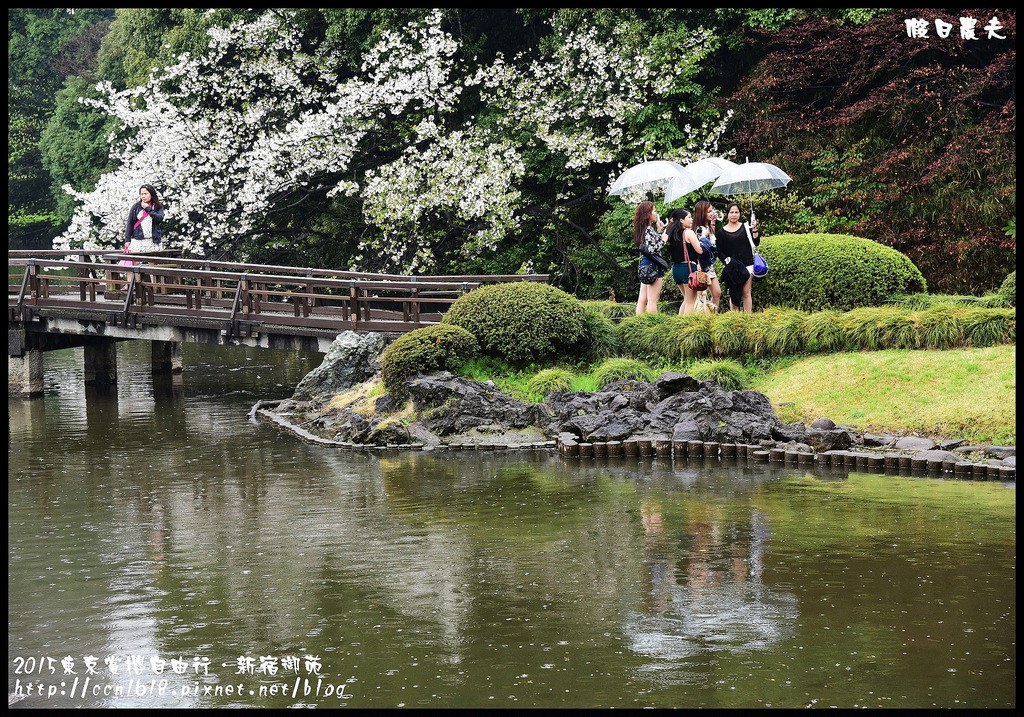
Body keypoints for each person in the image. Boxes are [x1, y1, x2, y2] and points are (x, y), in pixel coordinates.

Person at [715, 202, 761, 313]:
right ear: (727, 214)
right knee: (734, 294)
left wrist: (754, 228)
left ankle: (748, 319)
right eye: (731, 212)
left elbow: (756, 242)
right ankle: (735, 320)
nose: (734, 215)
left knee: (746, 292)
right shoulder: (721, 232)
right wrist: (726, 261)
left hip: (747, 264)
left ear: (740, 214)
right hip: (732, 267)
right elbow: (719, 250)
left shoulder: (746, 227)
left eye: (736, 212)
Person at [666, 207, 705, 315]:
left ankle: (679, 324)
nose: (692, 219)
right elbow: (700, 250)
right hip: (687, 269)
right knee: (691, 302)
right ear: (682, 220)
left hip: (676, 269)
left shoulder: (672, 233)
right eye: (689, 217)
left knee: (686, 300)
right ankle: (686, 326)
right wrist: (702, 239)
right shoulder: (688, 232)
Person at [634, 200, 668, 314]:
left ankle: (639, 324)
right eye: (654, 210)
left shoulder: (644, 229)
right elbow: (652, 249)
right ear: (648, 214)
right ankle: (651, 326)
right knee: (652, 300)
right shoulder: (648, 229)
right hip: (653, 265)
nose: (656, 213)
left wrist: (658, 231)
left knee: (642, 300)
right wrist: (663, 240)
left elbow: (649, 246)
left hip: (645, 264)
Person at [692, 199, 721, 311]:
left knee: (717, 293)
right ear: (702, 213)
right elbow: (702, 248)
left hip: (709, 266)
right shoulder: (699, 230)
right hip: (702, 266)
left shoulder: (707, 227)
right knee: (700, 296)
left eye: (712, 210)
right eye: (709, 211)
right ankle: (700, 318)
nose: (712, 213)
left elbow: (712, 240)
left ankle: (713, 316)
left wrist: (713, 222)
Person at [125, 185, 165, 254]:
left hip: (152, 240)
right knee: (134, 261)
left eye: (145, 194)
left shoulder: (157, 207)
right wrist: (127, 239)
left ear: (151, 194)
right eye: (141, 194)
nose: (143, 196)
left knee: (152, 262)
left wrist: (148, 209)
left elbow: (159, 218)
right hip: (137, 240)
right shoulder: (136, 207)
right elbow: (130, 223)